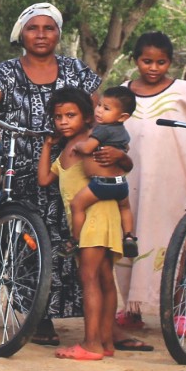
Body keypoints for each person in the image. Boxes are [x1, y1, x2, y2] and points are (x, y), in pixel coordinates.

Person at [0, 3, 123, 347]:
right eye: (34, 28)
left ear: (59, 34)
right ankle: (38, 316)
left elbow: (101, 110)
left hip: (73, 171)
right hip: (24, 170)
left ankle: (103, 327)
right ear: (22, 34)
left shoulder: (76, 69)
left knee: (79, 243)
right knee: (28, 242)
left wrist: (112, 145)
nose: (42, 34)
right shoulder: (6, 71)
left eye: (49, 28)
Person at [115, 32, 186, 331]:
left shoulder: (183, 90)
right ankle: (131, 309)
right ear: (135, 61)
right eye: (147, 61)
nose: (154, 68)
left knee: (172, 239)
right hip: (129, 179)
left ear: (170, 63)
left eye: (161, 62)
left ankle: (178, 310)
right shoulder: (122, 92)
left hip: (170, 181)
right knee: (128, 238)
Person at [37, 89, 128, 360]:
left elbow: (119, 164)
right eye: (58, 117)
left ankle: (92, 344)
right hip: (98, 219)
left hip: (96, 217)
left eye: (70, 115)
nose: (63, 121)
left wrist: (117, 154)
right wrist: (46, 145)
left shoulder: (91, 142)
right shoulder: (67, 149)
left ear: (87, 117)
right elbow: (44, 179)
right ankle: (106, 342)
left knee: (89, 280)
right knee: (103, 279)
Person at [61, 86, 137, 257]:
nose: (100, 111)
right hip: (120, 183)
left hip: (102, 184)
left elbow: (88, 148)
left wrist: (78, 146)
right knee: (125, 207)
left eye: (106, 108)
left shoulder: (102, 129)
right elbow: (126, 147)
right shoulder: (122, 131)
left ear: (123, 116)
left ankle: (75, 240)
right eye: (100, 105)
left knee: (77, 205)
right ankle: (129, 236)